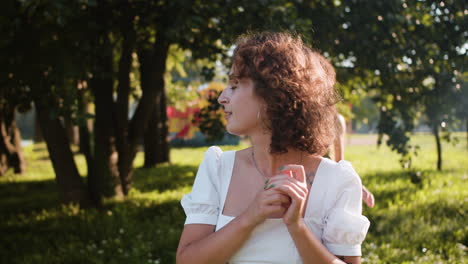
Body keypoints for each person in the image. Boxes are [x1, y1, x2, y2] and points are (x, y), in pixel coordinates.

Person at [177, 32, 370, 264]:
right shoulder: (217, 168)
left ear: (272, 95)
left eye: (235, 85)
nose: (221, 97)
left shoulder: (337, 180)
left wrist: (296, 227)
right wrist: (250, 217)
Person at [333, 114, 375, 208]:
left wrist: (355, 183)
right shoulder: (296, 117)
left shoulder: (336, 120)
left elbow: (339, 163)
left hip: (326, 192)